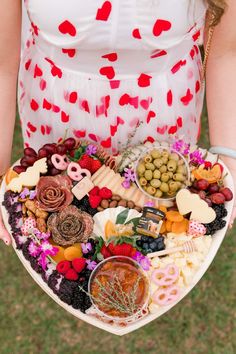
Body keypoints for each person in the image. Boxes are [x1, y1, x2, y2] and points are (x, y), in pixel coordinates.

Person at [0, 0, 236, 245]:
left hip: (163, 116)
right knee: (60, 238)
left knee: (157, 239)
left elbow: (225, 52)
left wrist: (228, 158)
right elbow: (1, 63)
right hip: (57, 114)